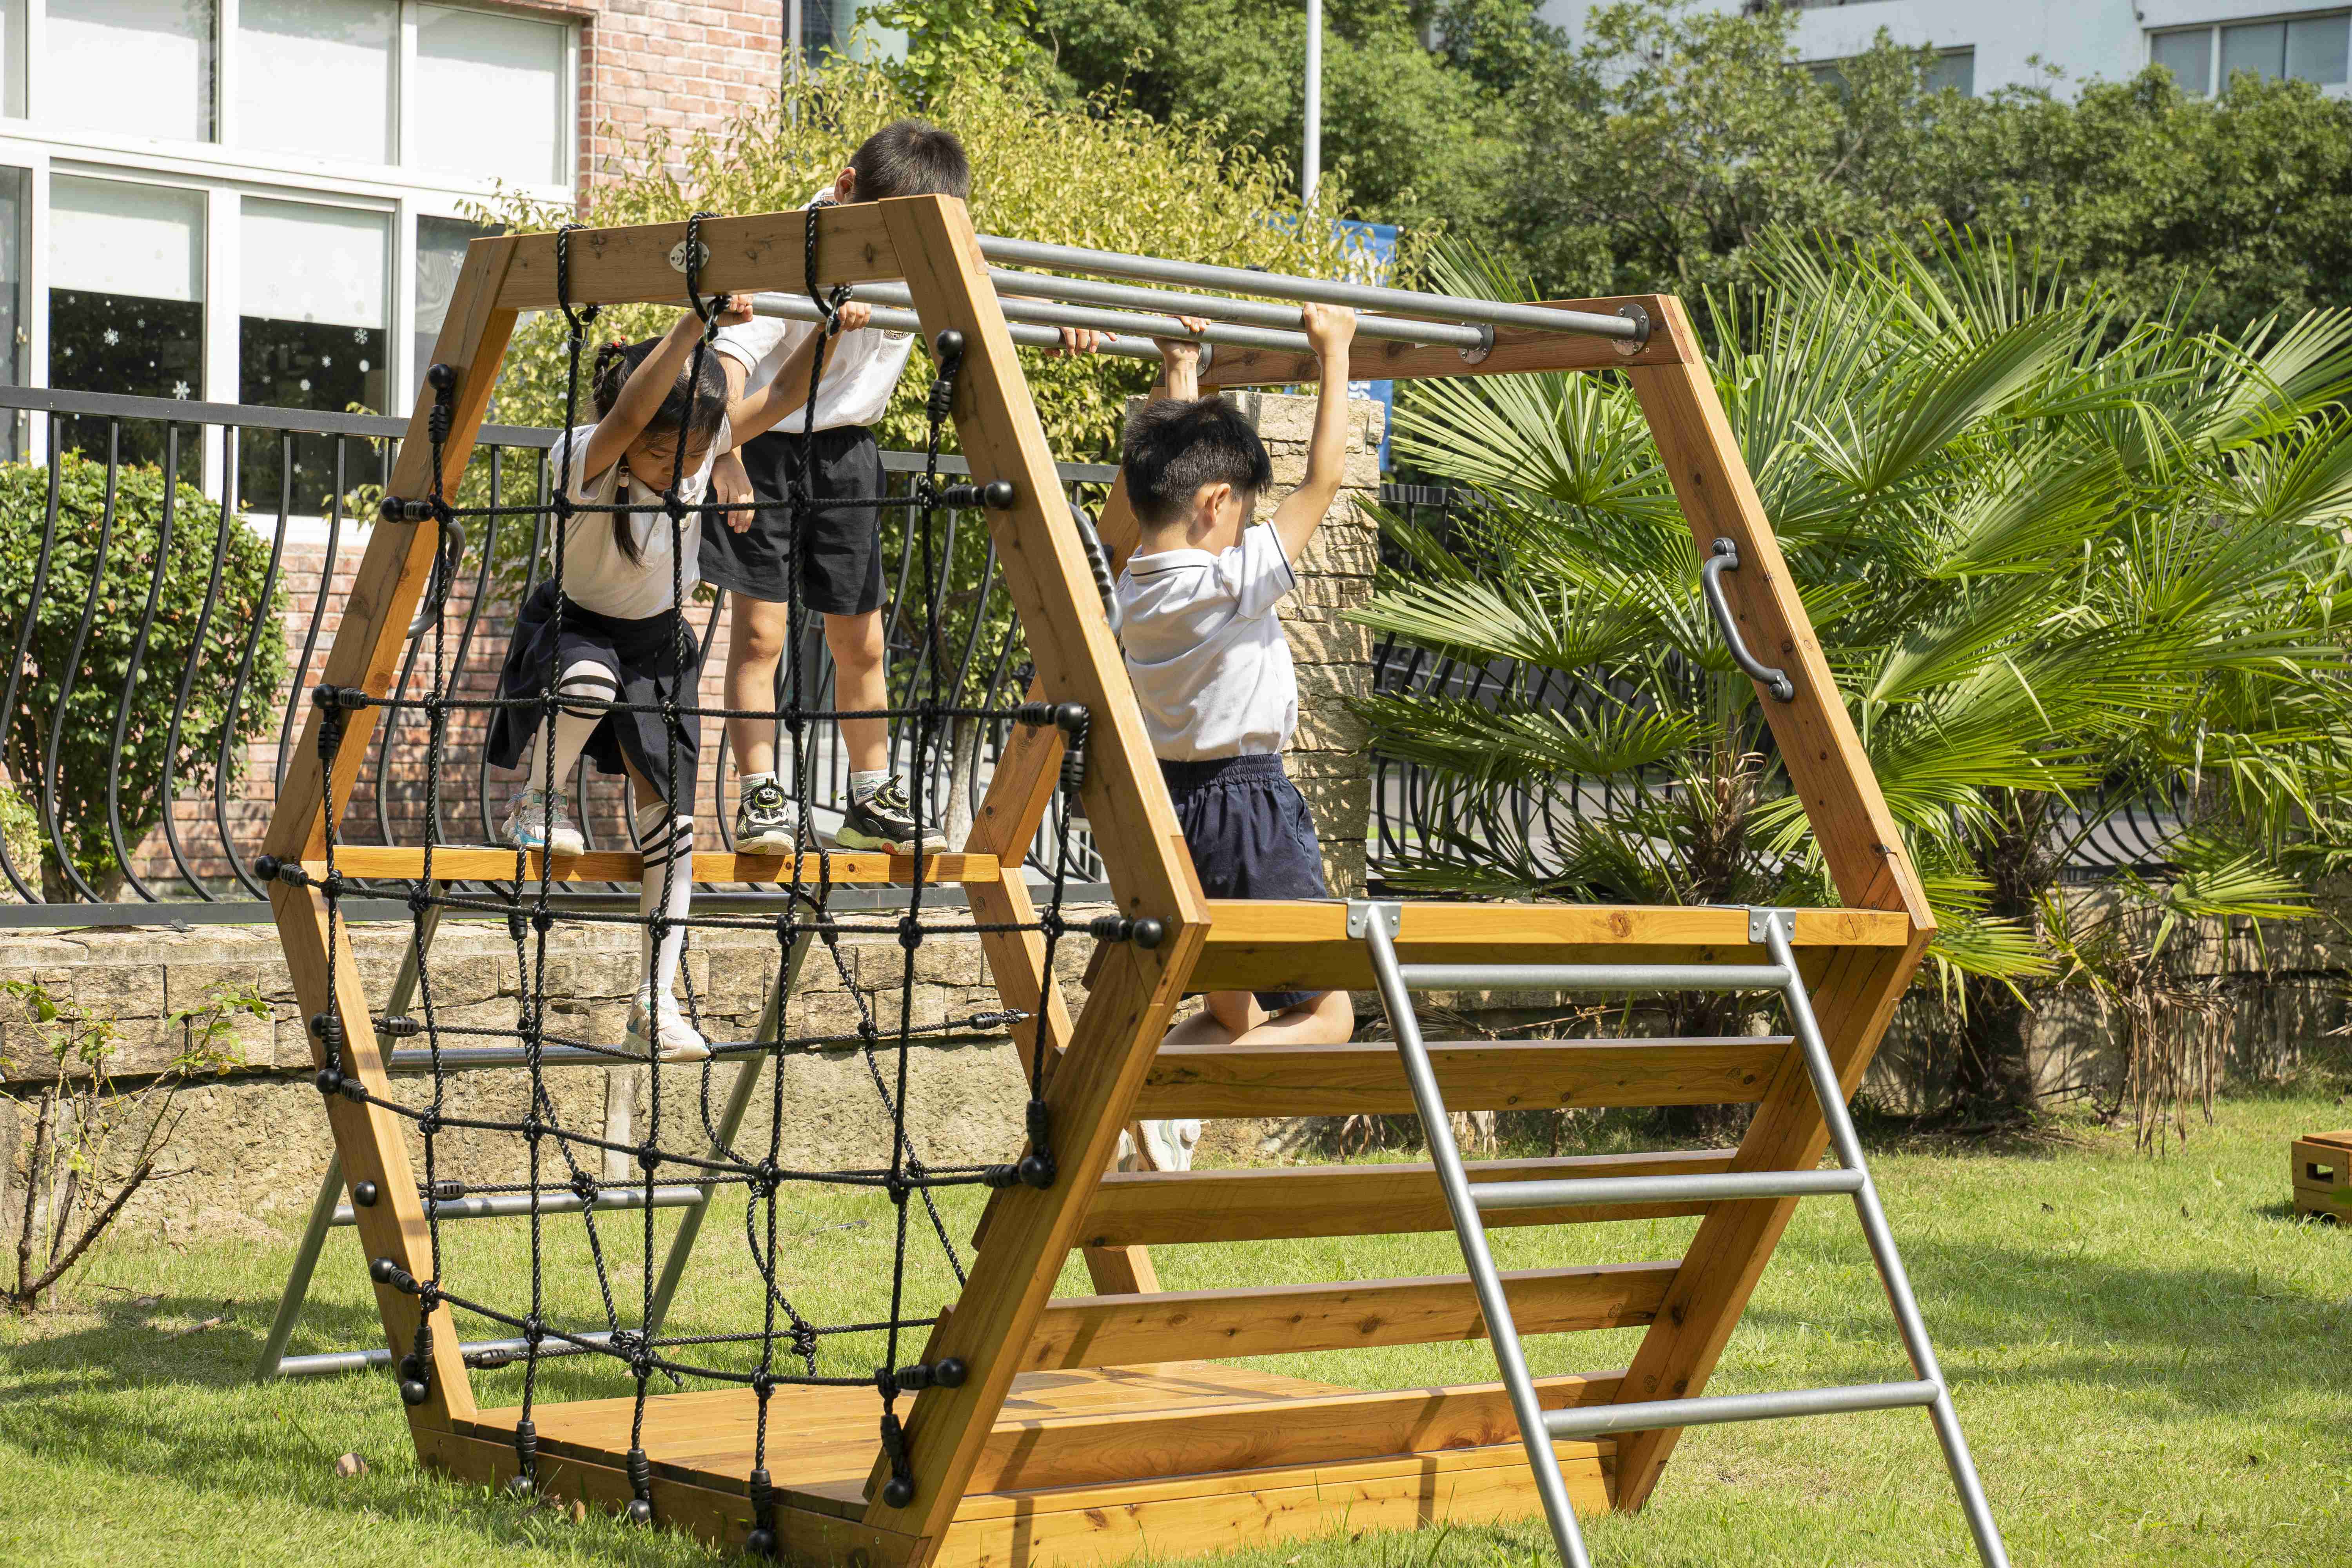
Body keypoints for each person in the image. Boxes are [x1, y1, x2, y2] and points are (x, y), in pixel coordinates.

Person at [702, 118, 1097, 856]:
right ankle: (762, 794)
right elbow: (731, 359)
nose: (893, 249)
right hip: (761, 444)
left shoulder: (920, 239)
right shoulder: (791, 248)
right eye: (884, 232)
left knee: (862, 639)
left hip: (848, 451)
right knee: (760, 635)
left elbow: (986, 284)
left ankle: (869, 796)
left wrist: (1058, 318)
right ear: (846, 188)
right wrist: (720, 449)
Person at [481, 301, 762, 1062]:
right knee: (585, 683)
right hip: (577, 625)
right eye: (666, 454)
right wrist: (693, 324)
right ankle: (536, 798)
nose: (682, 470)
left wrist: (827, 336)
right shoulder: (585, 455)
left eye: (695, 455)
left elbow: (777, 402)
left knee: (675, 827)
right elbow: (636, 412)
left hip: (657, 648)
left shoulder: (693, 463)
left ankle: (655, 1000)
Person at [1115, 303, 1361, 1050]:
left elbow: (1180, 479)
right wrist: (1336, 351)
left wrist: (1181, 369)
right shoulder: (1230, 581)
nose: (1248, 528)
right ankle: (1183, 1086)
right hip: (1248, 808)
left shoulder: (1133, 585)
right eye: (1245, 511)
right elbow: (1323, 480)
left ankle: (1147, 1095)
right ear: (1217, 503)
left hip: (1174, 807)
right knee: (1328, 1017)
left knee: (1230, 1013)